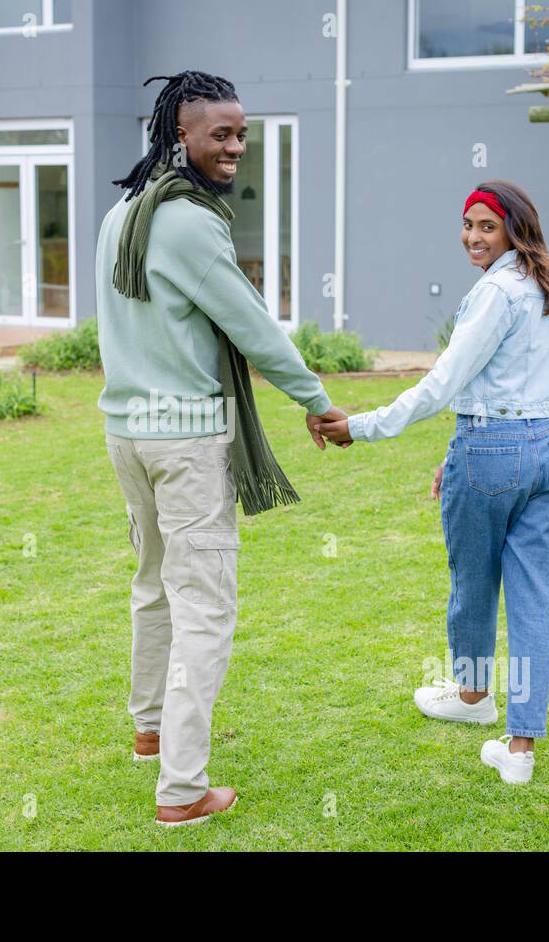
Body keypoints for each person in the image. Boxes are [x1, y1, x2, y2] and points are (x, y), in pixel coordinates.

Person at [97, 71, 349, 825]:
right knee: (205, 605)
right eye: (221, 134)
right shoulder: (190, 223)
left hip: (127, 433)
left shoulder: (122, 214)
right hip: (184, 440)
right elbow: (254, 329)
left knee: (153, 582)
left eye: (242, 133)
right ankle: (181, 788)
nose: (236, 145)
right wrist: (317, 400)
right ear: (181, 133)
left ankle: (150, 728)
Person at [316, 181, 549, 785]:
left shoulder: (495, 295)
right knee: (534, 604)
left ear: (513, 228)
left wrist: (361, 426)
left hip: (493, 452)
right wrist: (459, 454)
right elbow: (510, 387)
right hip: (547, 449)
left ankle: (472, 694)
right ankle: (519, 748)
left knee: (473, 581)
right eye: (467, 225)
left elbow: (442, 385)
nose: (472, 237)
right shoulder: (544, 285)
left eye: (487, 226)